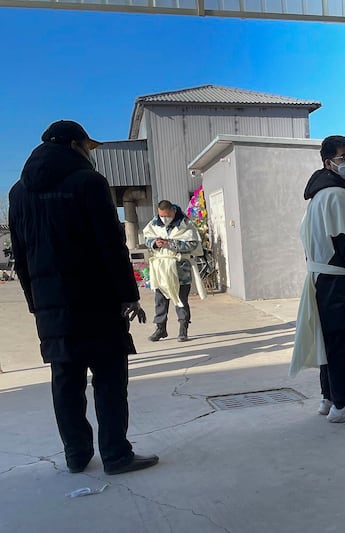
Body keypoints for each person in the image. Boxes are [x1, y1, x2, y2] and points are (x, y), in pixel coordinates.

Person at [9, 120, 158, 475]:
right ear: (74, 145)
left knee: (66, 380)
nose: (89, 154)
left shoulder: (18, 192)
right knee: (108, 378)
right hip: (96, 300)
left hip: (51, 306)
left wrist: (36, 304)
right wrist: (128, 294)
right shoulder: (88, 182)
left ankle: (76, 455)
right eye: (86, 147)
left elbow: (20, 255)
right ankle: (116, 455)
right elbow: (111, 244)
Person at [289, 135, 345, 423]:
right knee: (340, 344)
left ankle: (328, 398)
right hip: (337, 280)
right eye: (343, 158)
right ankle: (341, 405)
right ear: (328, 162)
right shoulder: (337, 195)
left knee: (329, 343)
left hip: (321, 277)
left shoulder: (318, 196)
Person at [143, 200, 202, 342]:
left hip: (180, 268)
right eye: (162, 216)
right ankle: (160, 328)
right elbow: (147, 238)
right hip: (161, 268)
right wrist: (155, 243)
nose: (165, 219)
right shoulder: (154, 223)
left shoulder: (185, 224)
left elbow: (192, 244)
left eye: (167, 215)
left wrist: (170, 244)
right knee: (160, 300)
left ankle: (183, 328)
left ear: (173, 211)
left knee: (181, 299)